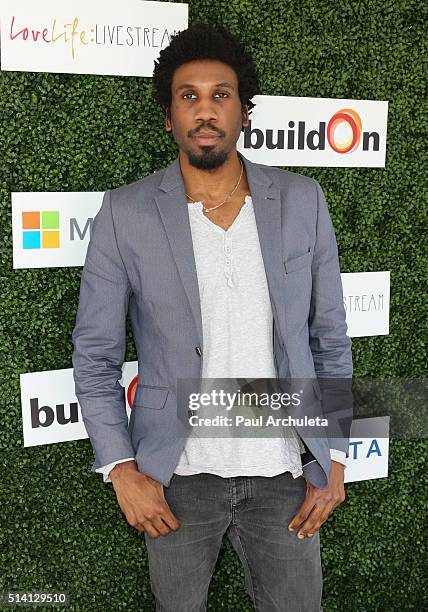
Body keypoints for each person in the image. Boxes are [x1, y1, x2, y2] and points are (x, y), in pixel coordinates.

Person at [72, 22, 353, 612]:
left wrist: (337, 456)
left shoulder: (304, 201)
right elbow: (95, 355)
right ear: (168, 116)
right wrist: (121, 468)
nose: (206, 111)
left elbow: (329, 340)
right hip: (176, 480)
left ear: (244, 112)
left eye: (220, 95)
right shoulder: (125, 213)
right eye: (189, 96)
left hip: (285, 472)